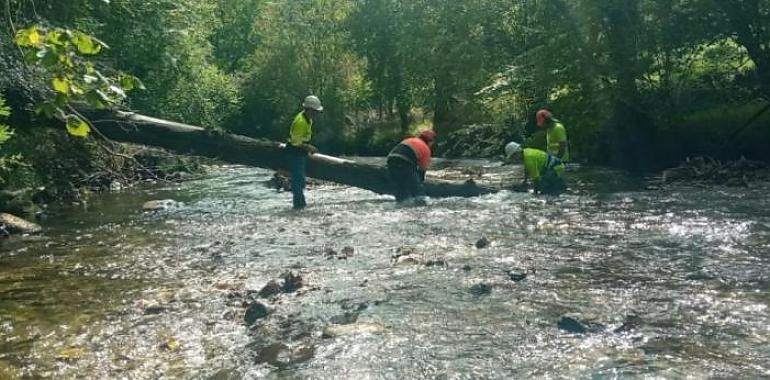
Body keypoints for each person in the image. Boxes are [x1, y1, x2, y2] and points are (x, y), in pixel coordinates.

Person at [286, 95, 323, 209]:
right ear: (309, 110)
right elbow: (296, 142)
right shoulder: (301, 121)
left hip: (300, 151)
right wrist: (309, 147)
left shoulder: (307, 118)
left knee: (300, 179)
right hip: (295, 151)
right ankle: (299, 205)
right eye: (315, 111)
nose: (317, 114)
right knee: (298, 180)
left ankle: (300, 204)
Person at [386, 130, 436, 203]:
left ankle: (400, 202)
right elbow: (422, 170)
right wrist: (419, 183)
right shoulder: (426, 149)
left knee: (400, 188)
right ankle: (421, 203)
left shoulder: (409, 140)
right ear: (430, 141)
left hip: (391, 159)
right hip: (405, 162)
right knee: (418, 193)